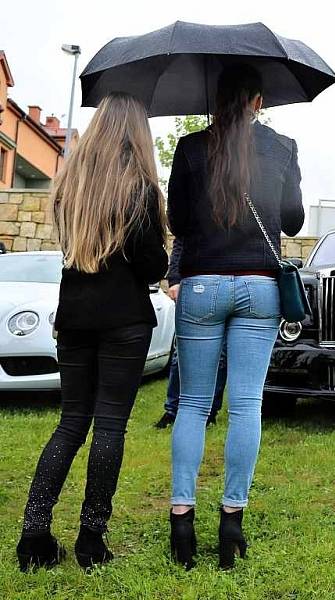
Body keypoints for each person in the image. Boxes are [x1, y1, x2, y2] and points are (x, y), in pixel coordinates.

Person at [16, 93, 168, 571]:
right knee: (109, 427)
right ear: (136, 133)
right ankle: (91, 539)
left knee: (69, 424)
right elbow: (152, 267)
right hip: (124, 320)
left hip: (74, 318)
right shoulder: (141, 189)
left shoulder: (69, 185)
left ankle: (33, 534)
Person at [167, 64, 304, 570]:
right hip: (260, 286)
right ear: (258, 102)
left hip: (201, 283)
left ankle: (182, 523)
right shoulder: (282, 147)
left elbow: (177, 222)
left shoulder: (190, 147)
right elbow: (293, 220)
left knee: (194, 405)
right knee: (246, 405)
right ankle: (231, 525)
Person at [154, 238, 227, 429]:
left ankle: (210, 411)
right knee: (182, 352)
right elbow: (180, 241)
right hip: (194, 285)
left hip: (222, 285)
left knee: (219, 356)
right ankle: (173, 409)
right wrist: (175, 280)